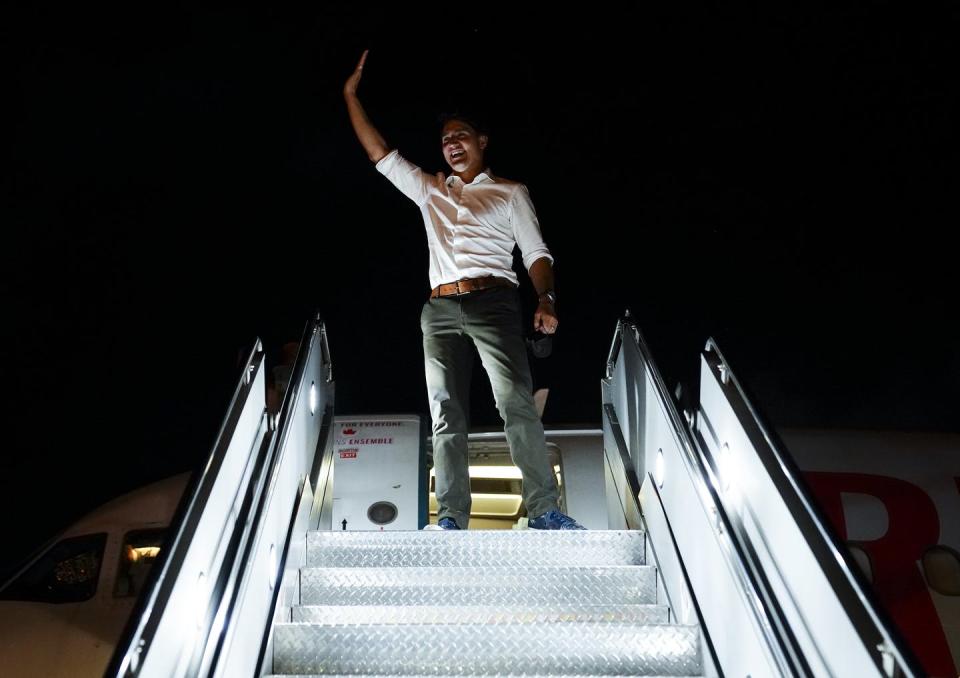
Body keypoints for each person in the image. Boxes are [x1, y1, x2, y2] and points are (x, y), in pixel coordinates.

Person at [343, 50, 583, 530]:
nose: (452, 143)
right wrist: (350, 95)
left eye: (461, 135)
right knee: (445, 412)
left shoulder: (510, 192)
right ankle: (451, 515)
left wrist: (546, 298)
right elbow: (379, 154)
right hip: (439, 307)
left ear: (483, 142)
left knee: (515, 400)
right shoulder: (430, 189)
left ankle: (544, 510)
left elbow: (537, 254)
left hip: (493, 301)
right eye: (445, 138)